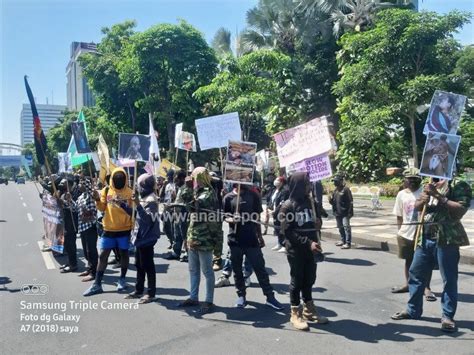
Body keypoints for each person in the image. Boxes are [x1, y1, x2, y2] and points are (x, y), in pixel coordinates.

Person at [391, 178, 472, 333]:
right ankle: (413, 310)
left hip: (446, 240)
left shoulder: (458, 185)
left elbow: (461, 209)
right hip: (425, 238)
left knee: (448, 278)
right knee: (415, 274)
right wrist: (424, 199)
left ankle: (447, 316)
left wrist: (439, 196)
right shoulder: (429, 184)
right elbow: (417, 207)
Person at [278, 172, 329, 330]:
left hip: (312, 251)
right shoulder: (287, 206)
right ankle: (295, 312)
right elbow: (288, 232)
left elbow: (315, 223)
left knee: (309, 279)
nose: (309, 186)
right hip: (296, 251)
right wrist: (308, 243)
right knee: (297, 281)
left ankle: (309, 309)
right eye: (306, 183)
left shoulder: (311, 202)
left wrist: (318, 223)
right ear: (298, 185)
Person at [223, 184, 283, 310]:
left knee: (260, 269)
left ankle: (270, 297)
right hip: (234, 240)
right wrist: (232, 219)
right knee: (237, 271)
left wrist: (260, 237)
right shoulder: (228, 197)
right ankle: (241, 296)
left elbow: (256, 218)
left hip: (251, 240)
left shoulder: (253, 196)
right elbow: (224, 216)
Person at [83, 167, 133, 296]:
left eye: (121, 178)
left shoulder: (130, 193)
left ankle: (122, 279)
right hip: (108, 229)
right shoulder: (106, 190)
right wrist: (97, 199)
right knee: (103, 256)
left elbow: (133, 212)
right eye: (116, 178)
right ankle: (97, 284)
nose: (119, 180)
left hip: (124, 230)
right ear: (112, 179)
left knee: (124, 255)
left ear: (125, 178)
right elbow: (102, 207)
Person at [391, 168, 436, 301]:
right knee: (408, 260)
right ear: (405, 180)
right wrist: (400, 231)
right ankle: (408, 284)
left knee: (425, 261)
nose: (412, 182)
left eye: (415, 179)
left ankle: (426, 288)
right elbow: (399, 215)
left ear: (420, 180)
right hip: (406, 233)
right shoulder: (401, 195)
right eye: (409, 179)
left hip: (423, 232)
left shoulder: (425, 192)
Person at [178, 167, 219, 314]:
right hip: (193, 237)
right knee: (193, 270)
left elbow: (194, 206)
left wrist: (187, 189)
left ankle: (208, 300)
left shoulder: (208, 193)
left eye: (194, 176)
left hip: (205, 238)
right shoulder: (196, 192)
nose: (192, 179)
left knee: (207, 271)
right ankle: (193, 297)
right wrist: (186, 188)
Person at [122, 173, 160, 304]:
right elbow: (136, 213)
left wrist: (137, 204)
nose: (137, 187)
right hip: (139, 236)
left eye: (139, 184)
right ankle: (138, 290)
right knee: (139, 264)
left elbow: (149, 220)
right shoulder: (143, 198)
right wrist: (122, 205)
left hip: (147, 237)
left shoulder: (151, 200)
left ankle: (151, 293)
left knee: (148, 265)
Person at [74, 178, 98, 282]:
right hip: (82, 227)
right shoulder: (80, 197)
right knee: (85, 250)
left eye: (82, 183)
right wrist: (69, 200)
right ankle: (89, 268)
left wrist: (87, 211)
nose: (79, 185)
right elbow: (75, 208)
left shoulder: (90, 196)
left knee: (91, 250)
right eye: (79, 183)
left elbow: (94, 210)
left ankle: (94, 272)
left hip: (90, 226)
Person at [165, 171, 190, 261]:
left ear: (182, 179)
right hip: (177, 215)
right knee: (176, 235)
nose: (175, 181)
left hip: (184, 215)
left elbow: (185, 204)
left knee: (185, 235)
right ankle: (176, 252)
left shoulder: (186, 189)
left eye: (177, 179)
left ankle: (188, 253)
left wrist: (173, 205)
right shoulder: (179, 188)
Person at [57, 178, 79, 273]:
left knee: (71, 245)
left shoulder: (74, 193)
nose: (62, 185)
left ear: (69, 185)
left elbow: (74, 207)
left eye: (64, 184)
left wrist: (65, 202)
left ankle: (73, 265)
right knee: (66, 244)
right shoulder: (63, 193)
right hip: (65, 222)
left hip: (72, 223)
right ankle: (69, 262)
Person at [329, 175, 353, 249]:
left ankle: (348, 243)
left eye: (336, 181)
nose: (335, 183)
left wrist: (349, 212)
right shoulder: (335, 190)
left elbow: (350, 202)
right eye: (334, 182)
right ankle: (343, 240)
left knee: (346, 227)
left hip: (345, 213)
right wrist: (330, 199)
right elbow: (333, 202)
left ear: (341, 181)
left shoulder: (346, 190)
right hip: (337, 213)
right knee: (340, 227)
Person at [267, 177, 289, 253]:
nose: (275, 181)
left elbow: (282, 203)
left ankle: (285, 245)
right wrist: (269, 208)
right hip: (274, 212)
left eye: (277, 180)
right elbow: (271, 200)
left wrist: (275, 211)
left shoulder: (285, 191)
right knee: (277, 228)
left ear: (282, 182)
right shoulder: (274, 190)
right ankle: (279, 243)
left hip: (280, 212)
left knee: (282, 228)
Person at [161, 170, 176, 249]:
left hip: (173, 209)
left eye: (169, 176)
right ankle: (170, 240)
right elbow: (161, 195)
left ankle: (174, 243)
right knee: (165, 227)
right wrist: (163, 185)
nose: (168, 178)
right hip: (166, 208)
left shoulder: (176, 185)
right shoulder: (167, 185)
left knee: (172, 227)